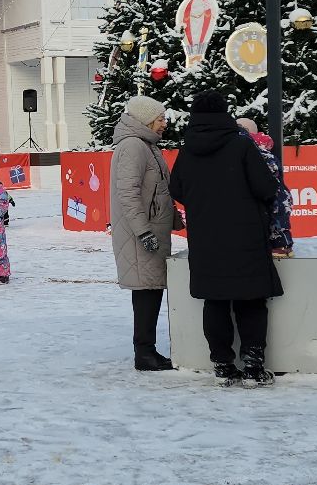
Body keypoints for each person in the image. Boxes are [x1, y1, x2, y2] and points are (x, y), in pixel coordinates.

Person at [170, 92, 282, 386]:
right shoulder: (241, 143)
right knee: (251, 300)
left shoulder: (188, 149)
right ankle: (254, 366)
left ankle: (222, 364)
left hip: (206, 238)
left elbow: (177, 188)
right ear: (225, 113)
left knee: (215, 301)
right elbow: (266, 187)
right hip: (245, 234)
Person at [111, 95, 176, 371]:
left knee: (151, 289)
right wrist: (144, 232)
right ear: (146, 119)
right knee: (146, 291)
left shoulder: (147, 145)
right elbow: (129, 194)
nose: (164, 124)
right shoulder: (133, 147)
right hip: (141, 237)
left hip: (151, 231)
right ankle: (144, 352)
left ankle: (147, 350)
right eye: (160, 118)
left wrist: (173, 219)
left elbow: (157, 191)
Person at [237, 117, 295, 259]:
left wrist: (280, 240)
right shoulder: (260, 152)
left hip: (261, 227)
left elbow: (276, 195)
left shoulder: (257, 154)